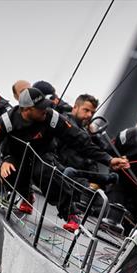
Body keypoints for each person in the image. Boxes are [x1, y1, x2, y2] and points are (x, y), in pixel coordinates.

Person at [0, 87, 129, 216]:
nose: (45, 109)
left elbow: (80, 141)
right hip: (15, 157)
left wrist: (108, 159)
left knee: (45, 170)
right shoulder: (6, 121)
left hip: (43, 155)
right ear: (27, 109)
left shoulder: (51, 117)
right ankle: (26, 196)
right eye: (40, 107)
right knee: (8, 170)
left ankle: (69, 212)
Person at [56, 94, 119, 231]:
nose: (89, 115)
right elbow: (79, 142)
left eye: (92, 112)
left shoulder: (87, 131)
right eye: (86, 110)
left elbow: (101, 149)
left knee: (104, 204)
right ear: (75, 107)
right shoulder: (65, 122)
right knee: (95, 199)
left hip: (80, 177)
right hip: (64, 173)